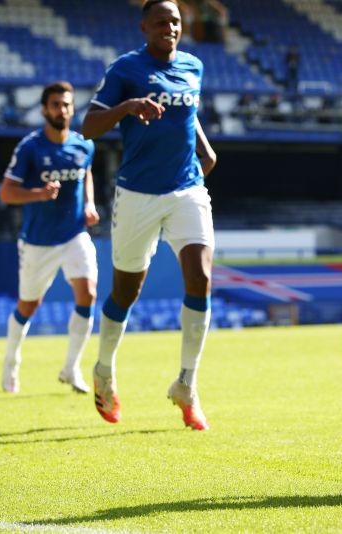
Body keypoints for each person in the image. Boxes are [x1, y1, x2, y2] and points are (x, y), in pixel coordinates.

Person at [82, 0, 217, 430]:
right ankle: (103, 370)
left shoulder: (193, 66)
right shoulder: (125, 69)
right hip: (137, 194)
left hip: (187, 189)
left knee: (201, 278)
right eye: (161, 21)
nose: (169, 27)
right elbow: (88, 126)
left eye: (175, 21)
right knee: (125, 291)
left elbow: (186, 112)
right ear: (144, 26)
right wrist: (126, 107)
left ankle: (187, 385)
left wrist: (203, 146)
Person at [0, 81, 99, 394]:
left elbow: (87, 174)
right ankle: (11, 361)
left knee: (88, 293)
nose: (62, 110)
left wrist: (90, 204)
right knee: (29, 306)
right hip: (38, 242)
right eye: (56, 104)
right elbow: (6, 193)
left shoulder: (84, 145)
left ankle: (71, 368)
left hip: (74, 234)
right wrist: (39, 194)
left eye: (67, 104)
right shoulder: (30, 147)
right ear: (44, 109)